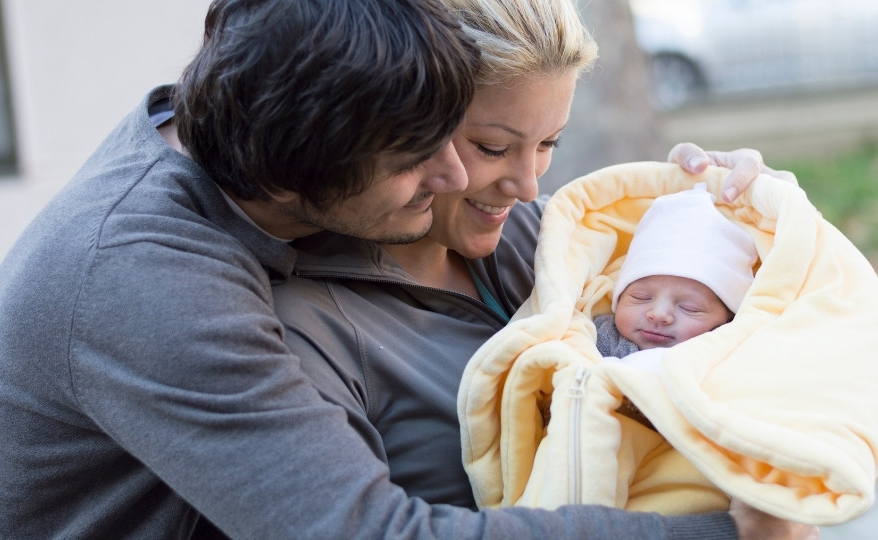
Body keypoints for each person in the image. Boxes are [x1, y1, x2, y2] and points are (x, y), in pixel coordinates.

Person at [272, 0, 816, 538]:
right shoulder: (306, 329)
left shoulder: (552, 235)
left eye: (548, 143)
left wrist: (755, 219)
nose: (528, 185)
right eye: (492, 147)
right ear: (400, 126)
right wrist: (725, 533)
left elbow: (778, 337)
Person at [595, 182, 759, 364]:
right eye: (640, 297)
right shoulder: (598, 338)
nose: (658, 314)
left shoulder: (731, 354)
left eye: (690, 308)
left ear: (728, 318)